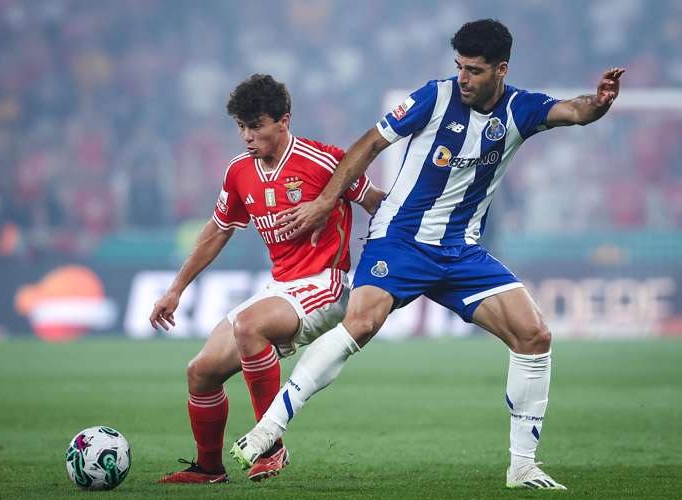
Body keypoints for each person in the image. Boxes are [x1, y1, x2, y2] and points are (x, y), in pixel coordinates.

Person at [231, 20, 625, 490]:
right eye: (459, 67)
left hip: (460, 251)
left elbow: (575, 111)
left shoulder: (522, 109)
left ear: (501, 70)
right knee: (360, 324)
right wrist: (323, 202)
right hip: (400, 238)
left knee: (534, 335)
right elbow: (369, 144)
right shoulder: (433, 98)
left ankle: (522, 467)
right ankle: (268, 430)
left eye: (475, 71)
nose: (463, 78)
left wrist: (598, 103)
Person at [150, 74, 384, 484]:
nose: (246, 136)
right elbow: (218, 229)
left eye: (255, 125)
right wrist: (176, 288)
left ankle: (269, 445)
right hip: (279, 287)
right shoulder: (239, 171)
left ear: (284, 121)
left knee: (249, 324)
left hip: (324, 283)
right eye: (241, 126)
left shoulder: (325, 161)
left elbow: (377, 204)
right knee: (200, 371)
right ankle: (209, 467)